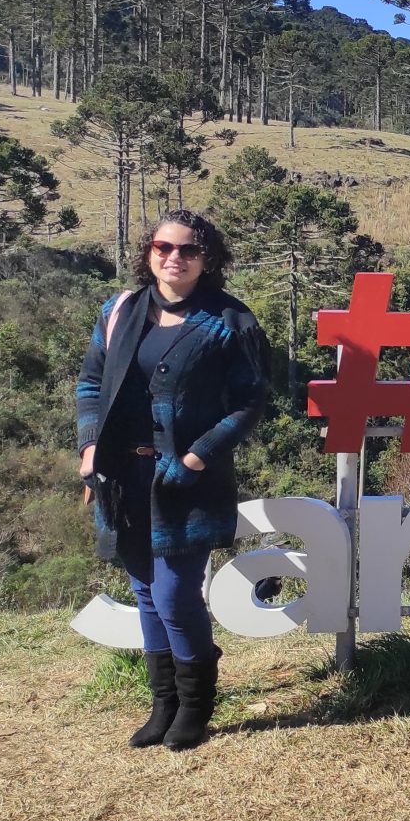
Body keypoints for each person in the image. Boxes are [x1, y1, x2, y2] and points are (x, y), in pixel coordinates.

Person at [76, 209, 271, 750]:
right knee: (144, 590)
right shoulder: (119, 311)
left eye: (188, 249)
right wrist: (90, 445)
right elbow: (91, 383)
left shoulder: (231, 321)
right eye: (163, 247)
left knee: (175, 593)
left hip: (187, 479)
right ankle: (163, 704)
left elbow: (250, 402)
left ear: (207, 259)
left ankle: (196, 706)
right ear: (149, 252)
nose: (174, 258)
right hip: (123, 474)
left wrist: (198, 457)